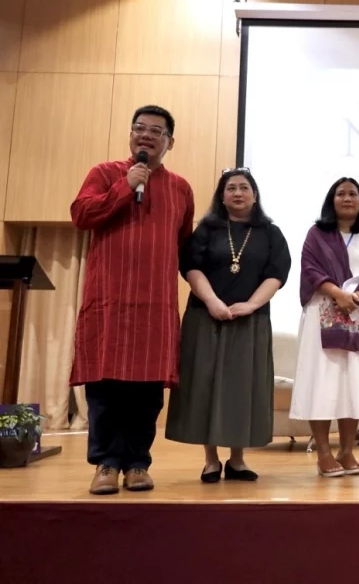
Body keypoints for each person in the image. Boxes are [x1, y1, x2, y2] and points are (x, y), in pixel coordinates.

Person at [70, 105, 195, 495]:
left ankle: (137, 463)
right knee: (105, 386)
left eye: (156, 131)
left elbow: (185, 247)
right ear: (130, 136)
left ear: (169, 142)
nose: (146, 136)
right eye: (139, 128)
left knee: (146, 390)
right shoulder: (105, 173)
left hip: (155, 304)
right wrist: (125, 186)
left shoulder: (180, 188)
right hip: (109, 300)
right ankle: (106, 464)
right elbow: (81, 214)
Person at [165, 168, 291, 482]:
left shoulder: (270, 233)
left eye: (244, 187)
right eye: (231, 188)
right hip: (205, 318)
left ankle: (237, 459)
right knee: (204, 385)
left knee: (241, 388)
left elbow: (276, 274)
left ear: (255, 194)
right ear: (222, 196)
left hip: (251, 321)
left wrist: (251, 304)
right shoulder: (207, 229)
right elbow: (191, 267)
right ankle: (210, 460)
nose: (238, 193)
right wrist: (212, 302)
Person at [290, 177, 359, 477]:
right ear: (331, 200)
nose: (347, 198)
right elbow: (309, 268)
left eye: (353, 194)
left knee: (353, 383)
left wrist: (356, 296)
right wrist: (338, 294)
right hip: (323, 313)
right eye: (341, 194)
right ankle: (323, 453)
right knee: (323, 382)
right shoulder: (317, 233)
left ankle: (347, 451)